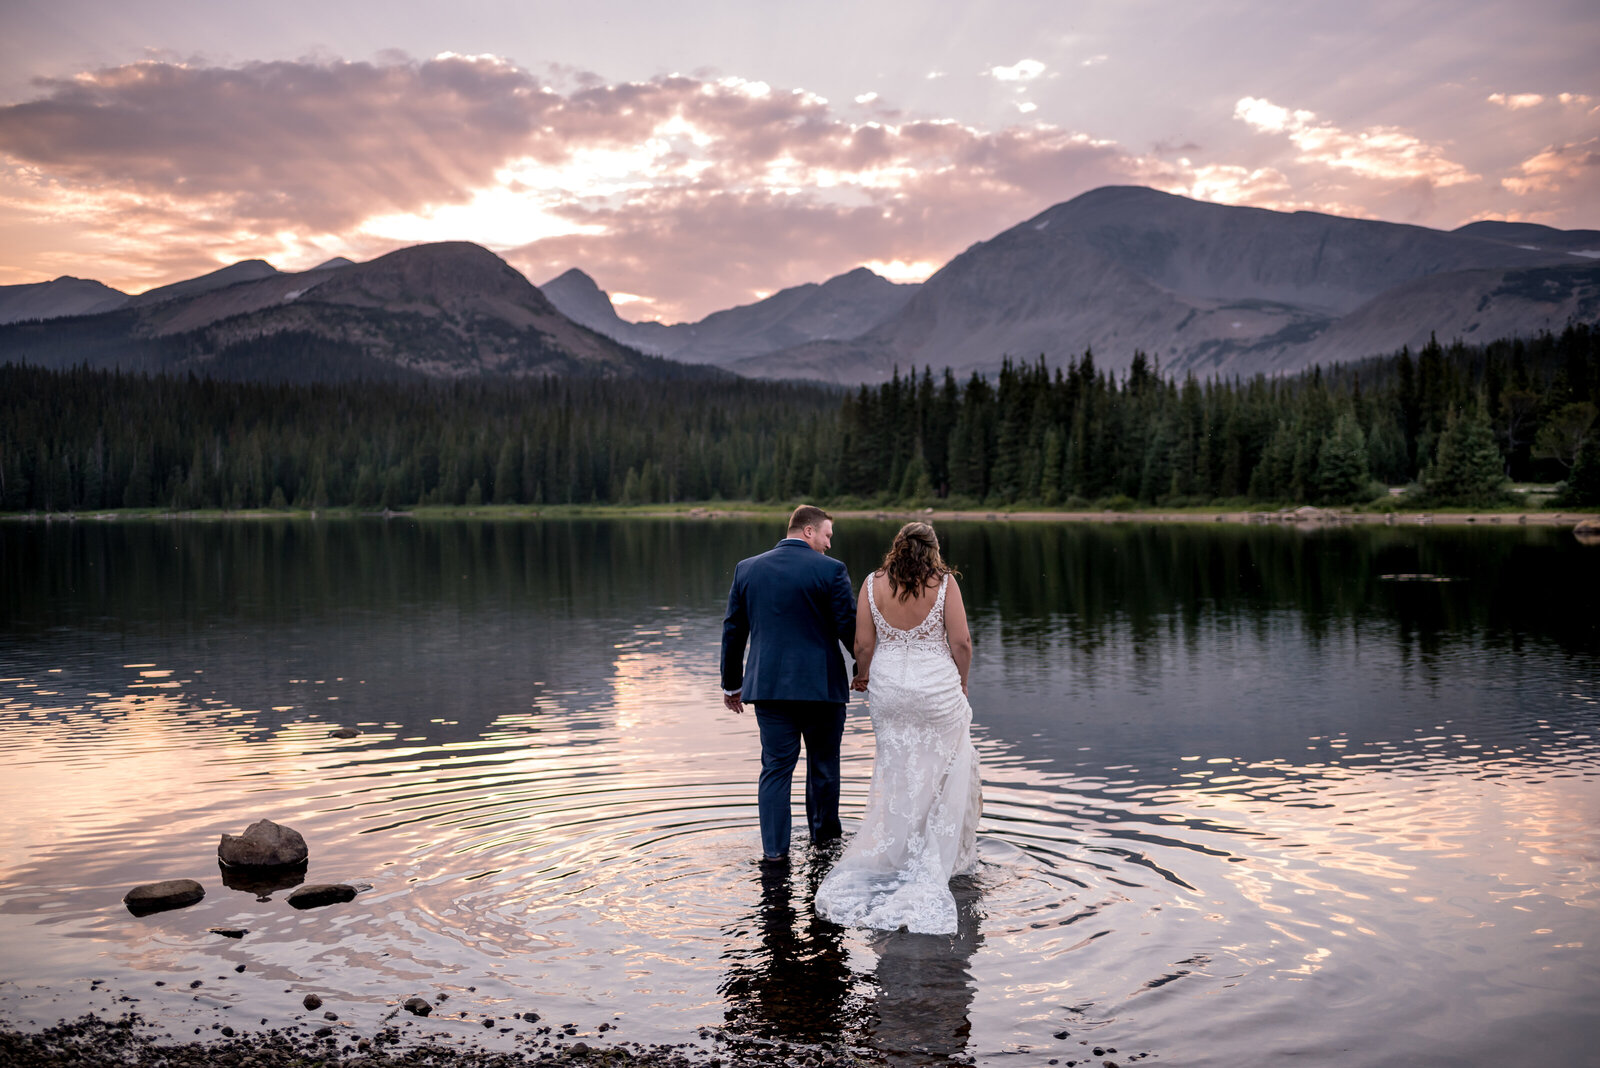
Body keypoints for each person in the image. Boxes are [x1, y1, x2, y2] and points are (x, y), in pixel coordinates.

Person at [814, 521, 982, 934]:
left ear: (897, 547)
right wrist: (962, 682)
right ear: (933, 550)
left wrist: (864, 675)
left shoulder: (873, 585)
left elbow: (863, 645)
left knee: (900, 771)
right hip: (936, 690)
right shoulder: (944, 584)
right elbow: (960, 643)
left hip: (889, 691)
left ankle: (900, 852)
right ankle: (941, 856)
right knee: (946, 769)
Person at [721, 505, 857, 862]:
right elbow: (850, 628)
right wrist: (864, 667)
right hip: (822, 690)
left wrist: (731, 685)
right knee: (824, 768)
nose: (829, 544)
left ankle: (775, 853)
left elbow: (734, 631)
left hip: (768, 689)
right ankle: (824, 847)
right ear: (809, 531)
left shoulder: (747, 569)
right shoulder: (832, 571)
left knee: (776, 769)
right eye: (827, 535)